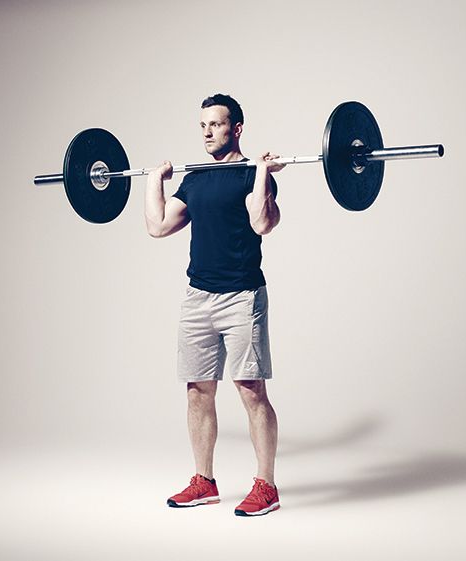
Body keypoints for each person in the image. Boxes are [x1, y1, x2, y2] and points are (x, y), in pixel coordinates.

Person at [144, 93, 284, 517]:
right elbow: (158, 225)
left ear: (236, 128)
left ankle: (267, 487)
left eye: (216, 124)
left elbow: (262, 222)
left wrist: (261, 173)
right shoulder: (197, 178)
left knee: (250, 389)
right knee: (197, 391)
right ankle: (203, 481)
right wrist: (155, 181)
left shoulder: (249, 175)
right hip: (197, 296)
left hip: (241, 296)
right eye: (202, 125)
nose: (207, 131)